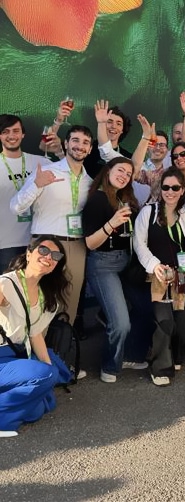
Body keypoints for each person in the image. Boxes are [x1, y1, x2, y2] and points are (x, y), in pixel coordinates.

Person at [10, 125, 94, 327]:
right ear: (66, 144)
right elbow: (16, 207)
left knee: (69, 304)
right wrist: (37, 185)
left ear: (90, 149)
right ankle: (35, 346)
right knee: (38, 300)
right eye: (75, 140)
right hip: (45, 244)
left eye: (85, 142)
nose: (80, 146)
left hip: (76, 246)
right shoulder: (46, 172)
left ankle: (62, 345)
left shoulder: (90, 182)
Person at [134, 155, 185, 386]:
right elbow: (139, 244)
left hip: (183, 276)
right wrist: (154, 265)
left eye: (175, 188)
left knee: (181, 324)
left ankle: (174, 352)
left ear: (182, 190)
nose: (170, 192)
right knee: (164, 322)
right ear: (160, 189)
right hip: (160, 277)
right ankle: (160, 367)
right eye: (166, 187)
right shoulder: (149, 213)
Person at [82, 157, 150, 383]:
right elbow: (90, 243)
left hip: (127, 262)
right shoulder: (97, 199)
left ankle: (130, 354)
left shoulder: (124, 198)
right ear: (108, 171)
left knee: (146, 308)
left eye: (128, 174)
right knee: (121, 323)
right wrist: (112, 223)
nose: (124, 176)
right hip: (103, 264)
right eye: (120, 170)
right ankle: (110, 366)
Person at [0, 236, 72, 436]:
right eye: (43, 250)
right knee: (45, 377)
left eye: (55, 255)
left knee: (43, 405)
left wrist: (49, 371)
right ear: (28, 254)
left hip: (16, 355)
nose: (49, 257)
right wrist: (48, 375)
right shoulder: (6, 284)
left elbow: (35, 335)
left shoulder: (47, 297)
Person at [0, 114, 52, 273]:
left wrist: (59, 151)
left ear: (23, 134)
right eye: (5, 131)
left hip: (38, 242)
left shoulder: (41, 162)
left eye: (16, 131)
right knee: (9, 286)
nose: (11, 136)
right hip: (6, 243)